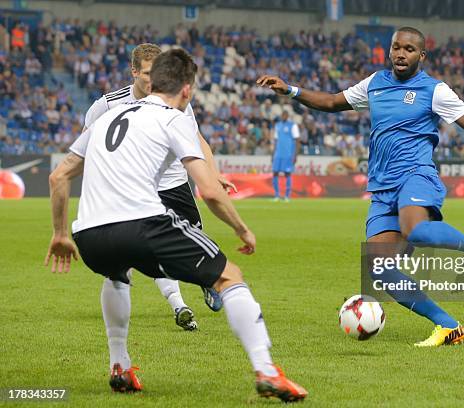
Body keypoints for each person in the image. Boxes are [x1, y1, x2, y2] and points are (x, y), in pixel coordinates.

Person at [45, 49, 307, 402]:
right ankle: (267, 372)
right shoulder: (175, 117)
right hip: (142, 223)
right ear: (186, 89)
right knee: (230, 276)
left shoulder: (108, 115)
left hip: (89, 234)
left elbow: (59, 176)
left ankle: (120, 365)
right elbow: (210, 191)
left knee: (117, 275)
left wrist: (61, 234)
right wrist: (241, 228)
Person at [257, 27, 464, 347]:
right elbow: (332, 101)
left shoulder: (435, 90)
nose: (400, 54)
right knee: (380, 270)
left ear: (421, 56)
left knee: (417, 230)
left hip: (416, 175)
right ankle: (448, 327)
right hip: (382, 188)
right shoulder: (375, 83)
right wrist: (290, 90)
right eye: (396, 47)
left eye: (408, 49)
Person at [83, 43, 235, 331]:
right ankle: (179, 305)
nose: (152, 79)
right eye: (147, 73)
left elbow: (197, 138)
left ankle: (204, 281)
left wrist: (213, 174)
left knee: (193, 240)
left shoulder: (176, 102)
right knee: (149, 249)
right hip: (135, 187)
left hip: (176, 181)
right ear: (134, 71)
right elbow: (88, 144)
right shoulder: (108, 104)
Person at [271, 110, 299, 202]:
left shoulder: (293, 125)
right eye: (282, 115)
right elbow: (275, 140)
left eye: (285, 115)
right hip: (278, 153)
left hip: (288, 154)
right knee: (275, 173)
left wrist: (295, 154)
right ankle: (276, 195)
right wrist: (273, 154)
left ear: (287, 116)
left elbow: (297, 140)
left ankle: (287, 196)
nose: (283, 116)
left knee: (287, 174)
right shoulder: (277, 125)